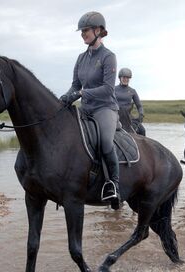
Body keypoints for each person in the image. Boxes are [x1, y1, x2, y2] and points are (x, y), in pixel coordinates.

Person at [60, 11, 120, 209]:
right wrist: (67, 97)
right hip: (85, 110)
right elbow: (75, 85)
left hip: (105, 108)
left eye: (85, 30)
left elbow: (108, 89)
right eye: (82, 31)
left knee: (104, 142)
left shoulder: (108, 57)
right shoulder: (80, 58)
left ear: (98, 31)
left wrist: (83, 94)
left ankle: (114, 185)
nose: (82, 34)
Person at [115, 68, 145, 136]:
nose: (126, 79)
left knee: (142, 130)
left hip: (128, 118)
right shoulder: (114, 89)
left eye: (128, 78)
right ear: (120, 78)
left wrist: (141, 114)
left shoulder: (132, 91)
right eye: (124, 77)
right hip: (116, 117)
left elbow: (139, 106)